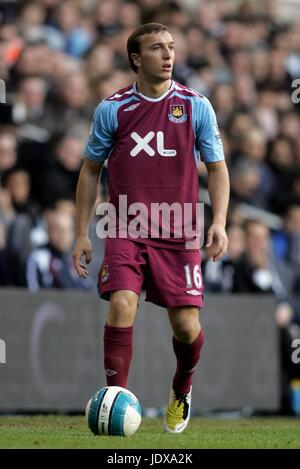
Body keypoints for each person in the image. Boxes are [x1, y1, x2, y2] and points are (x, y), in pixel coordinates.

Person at [72, 23, 229, 433]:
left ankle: (181, 387)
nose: (168, 54)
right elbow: (90, 171)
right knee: (122, 303)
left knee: (186, 326)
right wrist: (80, 232)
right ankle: (113, 402)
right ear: (137, 59)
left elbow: (217, 168)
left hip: (179, 230)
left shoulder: (196, 106)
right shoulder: (113, 108)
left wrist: (221, 223)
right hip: (126, 224)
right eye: (158, 48)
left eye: (172, 47)